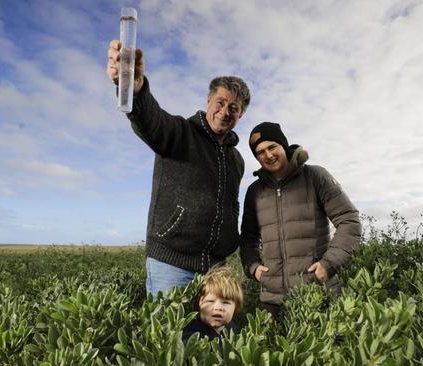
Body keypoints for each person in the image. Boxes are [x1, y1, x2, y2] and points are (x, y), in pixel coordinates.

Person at [106, 41, 251, 295]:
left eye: (234, 108)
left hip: (217, 269)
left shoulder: (236, 159)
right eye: (220, 102)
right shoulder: (181, 133)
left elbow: (233, 204)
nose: (224, 111)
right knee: (170, 335)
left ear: (240, 115)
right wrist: (135, 88)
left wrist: (231, 239)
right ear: (208, 101)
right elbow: (151, 120)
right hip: (171, 265)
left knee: (218, 335)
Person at [239, 122, 361, 318]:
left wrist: (328, 264)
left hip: (317, 295)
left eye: (272, 147)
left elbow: (349, 220)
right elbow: (247, 239)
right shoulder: (254, 191)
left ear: (283, 146)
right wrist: (253, 268)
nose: (268, 155)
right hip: (272, 301)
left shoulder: (315, 176)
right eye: (260, 152)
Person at [182, 266, 243, 343]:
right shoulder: (191, 336)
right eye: (210, 301)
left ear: (236, 308)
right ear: (198, 305)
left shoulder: (231, 329)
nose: (218, 307)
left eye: (226, 302)